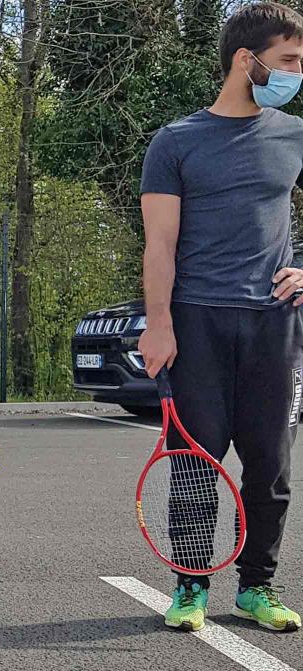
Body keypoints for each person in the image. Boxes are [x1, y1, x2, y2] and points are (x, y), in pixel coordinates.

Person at [139, 1, 303, 633]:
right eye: (288, 60)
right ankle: (189, 587)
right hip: (197, 322)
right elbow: (159, 244)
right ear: (247, 59)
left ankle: (258, 587)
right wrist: (159, 323)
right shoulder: (176, 141)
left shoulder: (293, 136)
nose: (296, 71)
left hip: (274, 325)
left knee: (270, 465)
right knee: (195, 464)